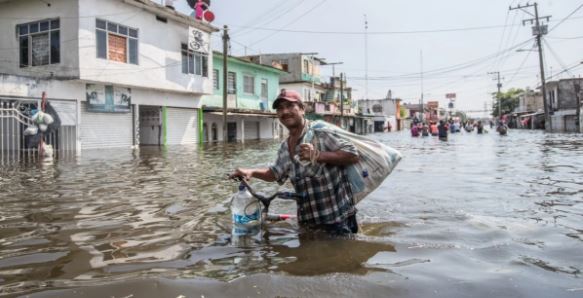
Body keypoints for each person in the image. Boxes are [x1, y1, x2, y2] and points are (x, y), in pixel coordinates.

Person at [230, 89, 360, 235]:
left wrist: (318, 155)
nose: (285, 111)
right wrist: (251, 171)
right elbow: (275, 173)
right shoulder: (285, 146)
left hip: (338, 221)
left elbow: (353, 155)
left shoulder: (320, 132)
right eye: (280, 108)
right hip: (307, 224)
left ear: (302, 109)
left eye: (290, 106)